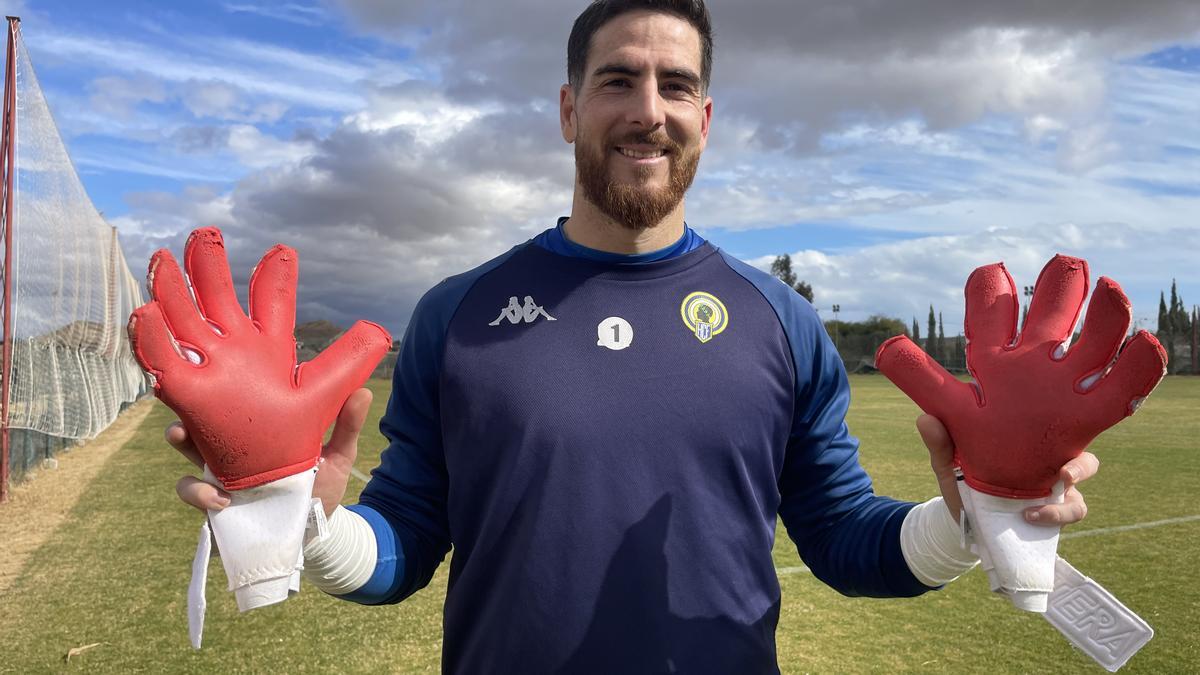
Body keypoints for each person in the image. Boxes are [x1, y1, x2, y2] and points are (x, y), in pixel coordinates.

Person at [170, 1, 1098, 672]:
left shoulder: (781, 321)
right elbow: (410, 538)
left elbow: (844, 538)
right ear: (570, 109)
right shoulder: (459, 314)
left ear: (705, 120)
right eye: (617, 79)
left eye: (676, 85)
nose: (647, 108)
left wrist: (979, 513)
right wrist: (305, 519)